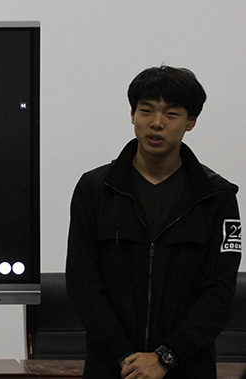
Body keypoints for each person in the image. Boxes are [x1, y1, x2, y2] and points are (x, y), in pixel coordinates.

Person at [66, 65, 241, 379]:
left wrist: (166, 357)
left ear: (191, 121)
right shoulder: (95, 190)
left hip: (188, 367)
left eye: (171, 114)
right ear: (132, 114)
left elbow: (219, 292)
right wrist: (124, 356)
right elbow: (83, 283)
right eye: (146, 111)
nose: (156, 123)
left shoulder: (218, 197)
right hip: (112, 368)